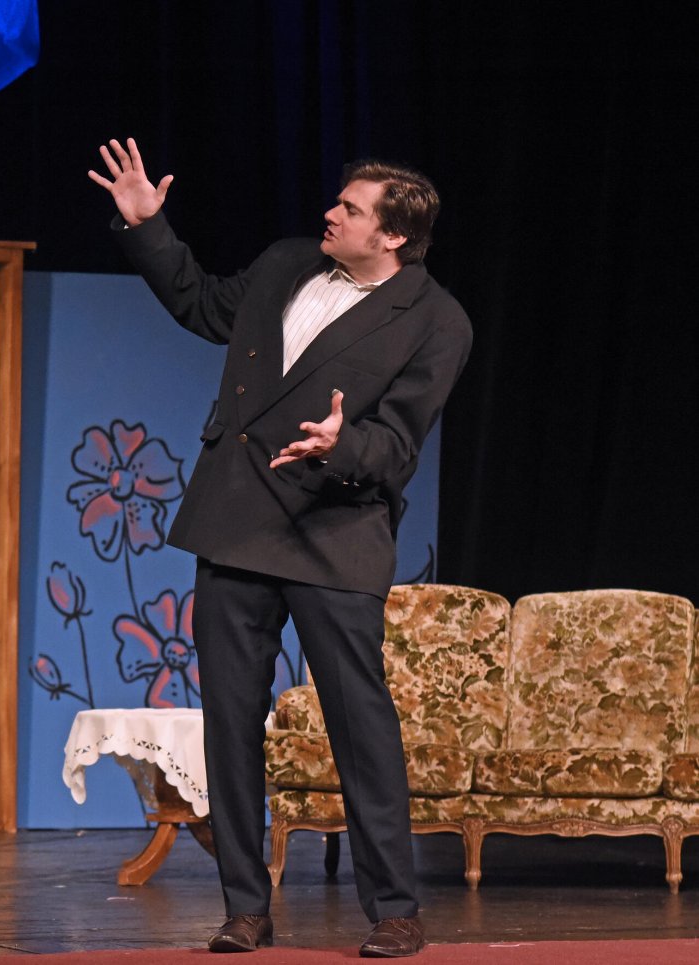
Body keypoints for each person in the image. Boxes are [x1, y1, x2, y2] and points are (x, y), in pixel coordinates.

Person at [90, 139, 471, 958]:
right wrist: (150, 227)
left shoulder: (437, 320)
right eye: (338, 200)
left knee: (359, 724)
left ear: (393, 236)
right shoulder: (288, 263)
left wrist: (340, 443)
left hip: (334, 533)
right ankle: (245, 907)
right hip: (236, 521)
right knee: (230, 723)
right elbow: (202, 305)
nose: (330, 213)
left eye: (351, 209)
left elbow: (397, 443)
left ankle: (394, 907)